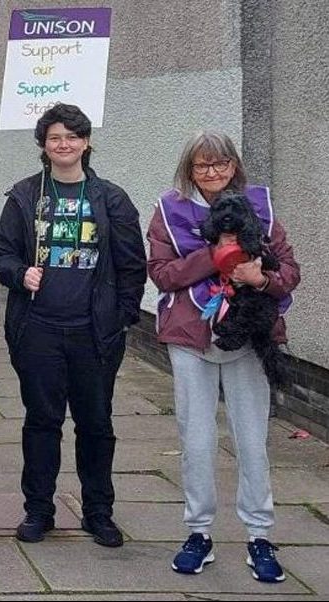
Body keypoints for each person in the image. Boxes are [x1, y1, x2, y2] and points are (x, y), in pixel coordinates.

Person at [147, 131, 299, 582]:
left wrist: (260, 278)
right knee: (196, 440)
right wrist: (214, 257)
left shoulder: (260, 205)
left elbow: (290, 271)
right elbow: (162, 274)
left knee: (252, 439)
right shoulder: (169, 210)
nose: (212, 172)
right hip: (191, 337)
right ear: (189, 170)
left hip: (250, 336)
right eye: (202, 165)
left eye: (220, 163)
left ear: (234, 166)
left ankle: (259, 535)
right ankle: (199, 532)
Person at [0, 103, 146, 547]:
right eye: (55, 137)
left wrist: (122, 318)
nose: (64, 144)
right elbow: (2, 252)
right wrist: (19, 274)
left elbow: (132, 265)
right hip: (38, 329)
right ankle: (39, 510)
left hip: (94, 334)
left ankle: (99, 512)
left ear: (86, 142)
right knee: (42, 422)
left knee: (96, 424)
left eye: (72, 137)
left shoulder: (111, 199)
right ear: (43, 145)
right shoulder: (25, 196)